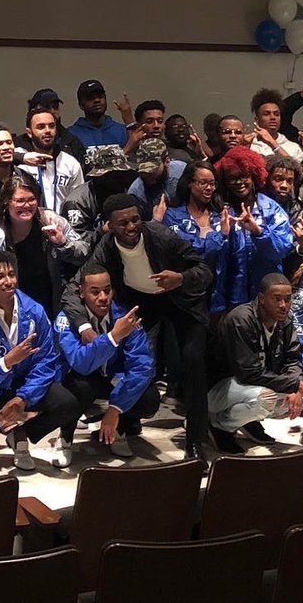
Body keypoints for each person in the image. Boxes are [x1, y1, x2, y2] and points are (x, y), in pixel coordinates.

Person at [60, 194, 213, 465]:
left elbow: (204, 269)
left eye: (135, 220)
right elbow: (74, 288)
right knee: (143, 369)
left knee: (192, 361)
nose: (131, 227)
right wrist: (83, 325)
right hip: (143, 304)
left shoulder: (161, 235)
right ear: (109, 226)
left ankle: (196, 442)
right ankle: (123, 423)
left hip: (182, 303)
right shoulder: (106, 247)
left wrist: (181, 278)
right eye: (123, 223)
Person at [0, 251, 80, 471]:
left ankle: (20, 434)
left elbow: (46, 362)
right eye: (0, 277)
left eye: (12, 274)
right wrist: (5, 362)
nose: (8, 281)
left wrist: (23, 399)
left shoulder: (34, 311)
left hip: (22, 386)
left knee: (67, 404)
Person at [208, 274, 303, 451]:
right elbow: (248, 372)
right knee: (265, 398)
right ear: (262, 299)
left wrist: (295, 386)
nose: (283, 305)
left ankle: (249, 421)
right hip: (217, 388)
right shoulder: (241, 319)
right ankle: (219, 426)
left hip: (249, 386)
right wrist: (294, 385)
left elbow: (293, 359)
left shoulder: (285, 322)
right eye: (277, 299)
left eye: (287, 299)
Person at [54, 263, 159, 458]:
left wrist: (115, 408)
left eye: (107, 290)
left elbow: (142, 365)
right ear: (81, 293)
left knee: (149, 397)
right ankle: (65, 437)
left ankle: (119, 430)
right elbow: (80, 363)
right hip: (80, 377)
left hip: (112, 376)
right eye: (95, 292)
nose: (103, 297)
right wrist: (112, 338)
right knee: (79, 390)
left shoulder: (125, 317)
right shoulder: (66, 319)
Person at [212, 146, 295, 302]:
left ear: (254, 176)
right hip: (230, 295)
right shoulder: (218, 211)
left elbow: (282, 249)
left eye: (244, 176)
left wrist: (259, 232)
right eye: (232, 178)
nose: (239, 182)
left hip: (265, 296)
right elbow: (212, 256)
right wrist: (223, 235)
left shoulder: (271, 209)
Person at [0, 173, 85, 313]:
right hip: (11, 304)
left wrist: (63, 243)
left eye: (31, 199)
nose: (26, 205)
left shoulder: (51, 220)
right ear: (6, 202)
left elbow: (84, 253)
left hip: (50, 300)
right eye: (20, 201)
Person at [161, 162, 234, 316]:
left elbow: (236, 256)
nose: (209, 188)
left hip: (221, 298)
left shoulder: (223, 215)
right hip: (187, 301)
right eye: (203, 183)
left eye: (212, 184)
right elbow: (193, 252)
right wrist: (220, 236)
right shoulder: (173, 216)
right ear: (189, 183)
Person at [18, 106, 84, 214]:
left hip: (63, 227)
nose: (48, 131)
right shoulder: (21, 163)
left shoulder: (70, 163)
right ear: (29, 133)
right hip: (29, 226)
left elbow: (79, 203)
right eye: (41, 127)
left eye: (51, 126)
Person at [70, 80, 128, 170]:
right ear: (81, 105)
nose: (97, 100)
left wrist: (130, 122)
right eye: (90, 98)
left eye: (100, 96)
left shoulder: (122, 130)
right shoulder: (71, 135)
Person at [21, 88, 87, 164]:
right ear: (33, 110)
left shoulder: (71, 141)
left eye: (55, 107)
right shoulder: (19, 145)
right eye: (46, 107)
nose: (52, 111)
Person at [128, 138, 186, 220]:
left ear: (167, 161)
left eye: (152, 170)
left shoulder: (182, 171)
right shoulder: (136, 192)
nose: (147, 175)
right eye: (143, 171)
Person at [249, 88, 303, 159]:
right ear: (257, 120)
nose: (273, 117)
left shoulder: (293, 147)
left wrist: (273, 143)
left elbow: (297, 168)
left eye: (276, 114)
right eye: (266, 114)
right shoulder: (250, 145)